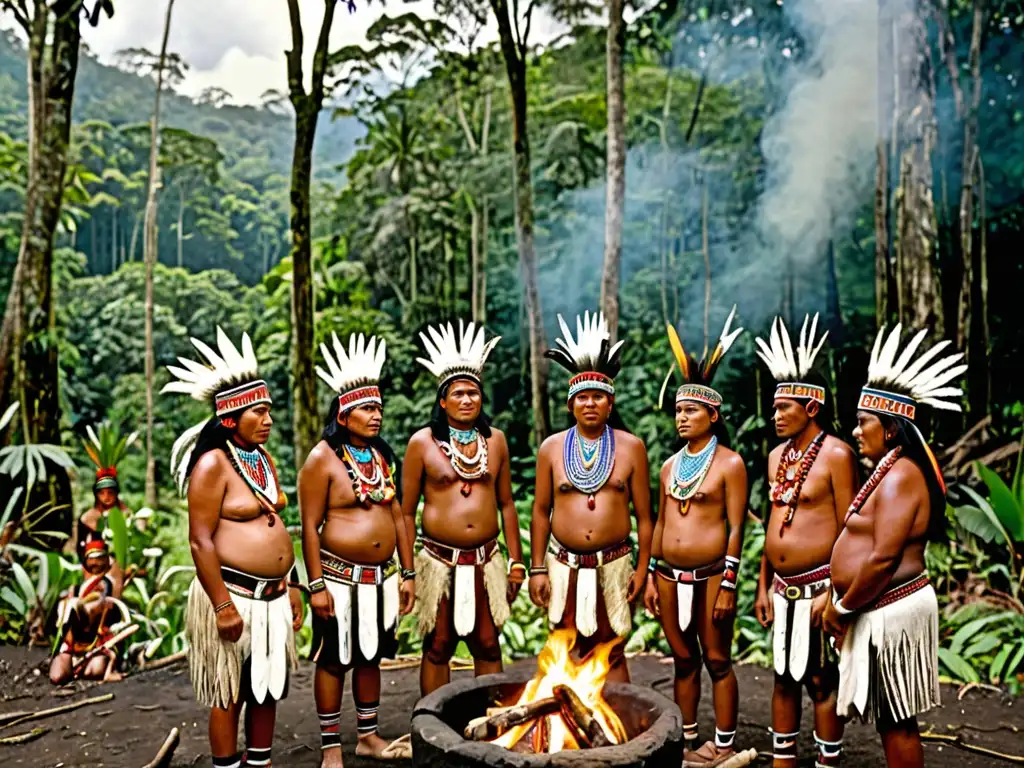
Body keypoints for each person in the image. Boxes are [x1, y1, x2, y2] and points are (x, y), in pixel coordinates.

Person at [823, 325, 965, 768]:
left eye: (864, 421)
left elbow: (883, 558)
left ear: (890, 429)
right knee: (891, 719)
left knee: (897, 720)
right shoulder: (890, 469)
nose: (856, 429)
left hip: (892, 605)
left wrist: (842, 607)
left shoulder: (902, 475)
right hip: (881, 604)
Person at [163, 327, 304, 768]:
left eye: (269, 410)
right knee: (230, 690)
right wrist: (222, 605)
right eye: (259, 412)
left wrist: (293, 582)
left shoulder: (261, 459)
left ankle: (258, 764)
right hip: (233, 596)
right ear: (230, 417)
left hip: (273, 595)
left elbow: (276, 524)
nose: (269, 420)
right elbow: (200, 539)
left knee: (267, 686)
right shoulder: (212, 464)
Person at [300, 332, 416, 765]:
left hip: (380, 579)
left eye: (380, 408)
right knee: (333, 660)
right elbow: (309, 528)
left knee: (371, 657)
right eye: (369, 408)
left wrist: (407, 573)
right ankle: (332, 747)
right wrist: (315, 586)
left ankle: (368, 737)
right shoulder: (322, 459)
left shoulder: (383, 458)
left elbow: (400, 515)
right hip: (338, 577)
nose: (377, 416)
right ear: (345, 415)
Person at [752, 315, 859, 767]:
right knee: (781, 676)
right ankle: (783, 761)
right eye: (775, 409)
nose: (775, 416)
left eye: (784, 409)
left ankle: (827, 762)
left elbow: (852, 529)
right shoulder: (777, 455)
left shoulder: (837, 454)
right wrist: (762, 585)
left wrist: (836, 592)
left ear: (811, 408)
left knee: (820, 679)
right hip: (781, 588)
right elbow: (773, 523)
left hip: (819, 589)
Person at [643, 307, 748, 767]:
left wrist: (729, 581)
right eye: (678, 411)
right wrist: (649, 573)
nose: (681, 418)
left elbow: (737, 525)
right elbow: (663, 522)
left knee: (717, 659)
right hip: (668, 574)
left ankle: (723, 745)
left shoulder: (730, 463)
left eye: (691, 411)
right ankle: (685, 744)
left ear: (713, 413)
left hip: (710, 576)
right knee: (682, 658)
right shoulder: (669, 466)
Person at [402, 321, 525, 695]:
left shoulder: (497, 441)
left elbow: (507, 504)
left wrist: (517, 562)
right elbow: (405, 512)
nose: (467, 400)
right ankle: (433, 727)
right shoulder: (422, 444)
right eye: (458, 394)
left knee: (487, 642)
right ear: (443, 401)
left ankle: (492, 726)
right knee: (437, 644)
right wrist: (407, 571)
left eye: (474, 393)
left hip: (486, 559)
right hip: (437, 560)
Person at [530, 311, 652, 684]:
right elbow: (539, 511)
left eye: (598, 396)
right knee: (563, 645)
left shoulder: (631, 448)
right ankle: (561, 729)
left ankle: (621, 737)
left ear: (610, 404)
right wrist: (537, 568)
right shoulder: (551, 449)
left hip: (613, 564)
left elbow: (646, 518)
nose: (590, 404)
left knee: (611, 647)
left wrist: (643, 570)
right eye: (582, 397)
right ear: (571, 404)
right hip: (563, 564)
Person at [49, 539, 129, 685]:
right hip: (74, 645)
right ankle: (72, 664)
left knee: (93, 671)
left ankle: (94, 666)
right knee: (57, 676)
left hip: (98, 645)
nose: (95, 567)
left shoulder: (107, 590)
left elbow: (101, 608)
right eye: (91, 563)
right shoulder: (75, 591)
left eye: (100, 562)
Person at [77, 422, 139, 596]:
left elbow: (132, 544)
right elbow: (80, 549)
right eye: (102, 493)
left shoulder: (125, 515)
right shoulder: (87, 518)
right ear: (96, 495)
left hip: (118, 567)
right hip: (92, 565)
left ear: (117, 493)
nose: (106, 497)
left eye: (110, 492)